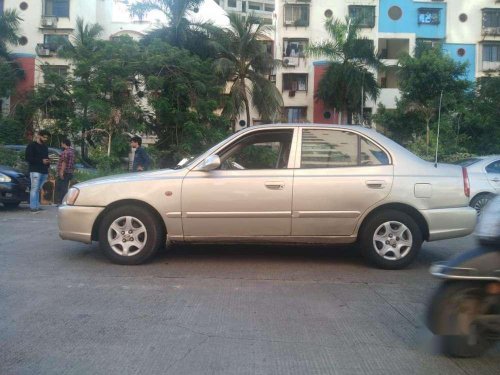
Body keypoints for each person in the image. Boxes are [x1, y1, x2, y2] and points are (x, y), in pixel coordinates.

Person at [25, 130, 51, 212]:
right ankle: (33, 207)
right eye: (44, 137)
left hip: (44, 171)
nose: (45, 139)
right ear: (39, 136)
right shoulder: (31, 145)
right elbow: (28, 158)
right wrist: (41, 161)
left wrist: (48, 163)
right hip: (35, 170)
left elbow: (45, 157)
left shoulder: (45, 147)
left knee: (38, 189)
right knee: (34, 188)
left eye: (47, 137)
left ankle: (37, 206)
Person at [55, 138, 75, 205]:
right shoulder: (72, 152)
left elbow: (64, 162)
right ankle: (65, 201)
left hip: (64, 172)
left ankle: (61, 202)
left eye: (62, 143)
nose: (61, 144)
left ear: (64, 144)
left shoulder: (65, 152)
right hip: (69, 172)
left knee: (61, 187)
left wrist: (61, 172)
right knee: (65, 187)